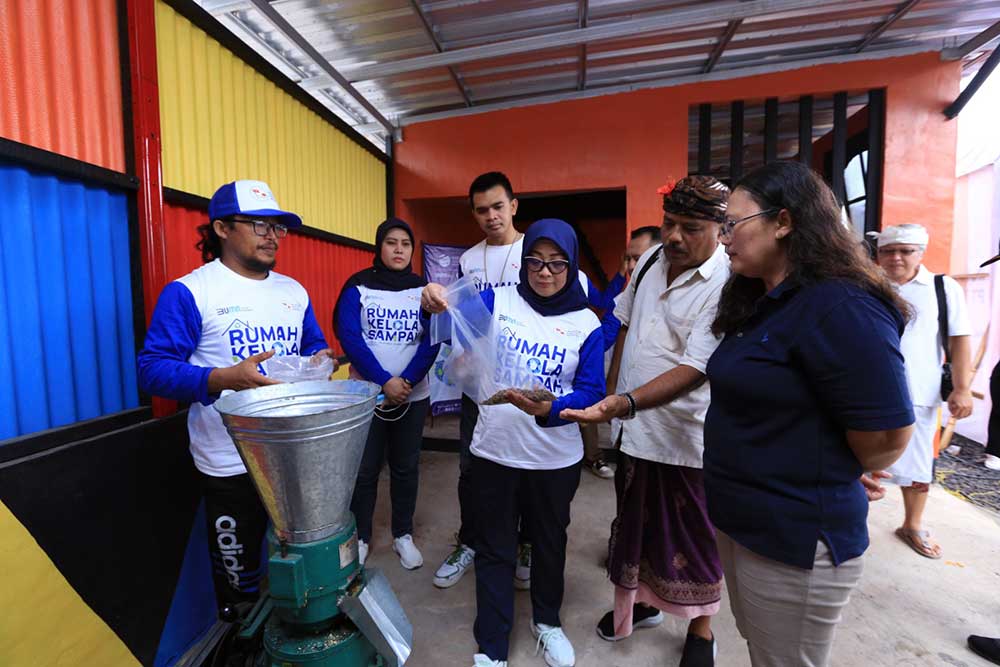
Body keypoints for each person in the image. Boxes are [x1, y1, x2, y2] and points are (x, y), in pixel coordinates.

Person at [703, 161, 915, 667]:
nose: (723, 237)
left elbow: (885, 435)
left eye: (733, 223)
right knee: (763, 651)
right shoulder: (767, 301)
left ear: (784, 222)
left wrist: (835, 466)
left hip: (792, 536)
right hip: (746, 524)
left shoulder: (840, 305)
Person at [137, 180, 337, 619]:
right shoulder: (191, 292)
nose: (271, 235)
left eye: (278, 227)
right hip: (229, 461)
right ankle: (241, 630)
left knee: (296, 557)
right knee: (240, 577)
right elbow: (152, 369)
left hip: (290, 452)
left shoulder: (293, 292)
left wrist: (320, 361)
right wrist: (224, 379)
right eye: (258, 224)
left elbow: (312, 348)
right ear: (223, 228)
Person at [561, 177, 731, 667]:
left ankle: (701, 629)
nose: (675, 237)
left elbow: (697, 367)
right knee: (635, 529)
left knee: (694, 536)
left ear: (719, 230)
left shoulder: (727, 283)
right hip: (633, 431)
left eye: (691, 228)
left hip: (684, 437)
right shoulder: (653, 262)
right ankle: (638, 606)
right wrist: (610, 397)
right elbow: (626, 327)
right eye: (669, 224)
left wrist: (622, 404)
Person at [422, 218, 605, 667]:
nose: (545, 273)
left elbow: (592, 391)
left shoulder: (586, 323)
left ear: (571, 265)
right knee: (495, 548)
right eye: (536, 263)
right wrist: (432, 303)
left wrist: (552, 408)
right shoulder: (497, 300)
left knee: (549, 543)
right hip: (495, 453)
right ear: (524, 264)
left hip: (555, 458)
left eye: (557, 264)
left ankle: (547, 621)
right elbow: (448, 323)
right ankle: (492, 646)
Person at [433, 171, 611, 590]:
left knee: (537, 488)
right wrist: (436, 310)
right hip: (484, 390)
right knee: (472, 471)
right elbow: (459, 321)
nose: (491, 216)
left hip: (539, 393)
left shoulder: (546, 252)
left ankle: (528, 544)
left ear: (514, 206)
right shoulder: (469, 259)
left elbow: (581, 327)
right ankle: (472, 541)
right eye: (481, 210)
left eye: (498, 206)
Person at [334, 218, 440, 569]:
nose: (398, 249)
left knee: (406, 467)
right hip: (367, 397)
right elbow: (350, 336)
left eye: (405, 244)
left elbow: (433, 338)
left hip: (413, 395)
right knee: (364, 470)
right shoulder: (358, 286)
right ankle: (362, 537)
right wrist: (384, 382)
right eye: (391, 242)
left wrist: (406, 380)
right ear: (379, 247)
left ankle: (403, 535)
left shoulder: (424, 290)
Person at [870, 223, 972, 559]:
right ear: (878, 253)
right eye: (888, 250)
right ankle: (850, 524)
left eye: (906, 251)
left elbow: (959, 340)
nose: (896, 257)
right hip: (864, 390)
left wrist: (962, 388)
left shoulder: (943, 288)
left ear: (920, 253)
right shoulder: (866, 283)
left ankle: (912, 524)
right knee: (856, 459)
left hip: (919, 392)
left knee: (917, 463)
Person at [581, 225, 662, 480]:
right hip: (616, 381)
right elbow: (609, 336)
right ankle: (593, 457)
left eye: (638, 258)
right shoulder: (621, 300)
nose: (630, 265)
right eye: (628, 258)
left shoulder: (678, 297)